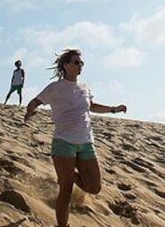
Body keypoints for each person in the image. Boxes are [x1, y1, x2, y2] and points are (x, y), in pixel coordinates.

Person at [24, 49, 127, 227]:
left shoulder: (84, 87)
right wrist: (30, 111)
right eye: (76, 62)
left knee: (94, 187)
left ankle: (68, 175)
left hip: (86, 143)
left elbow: (92, 106)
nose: (80, 66)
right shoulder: (55, 88)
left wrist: (113, 109)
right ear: (65, 65)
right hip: (64, 143)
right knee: (66, 190)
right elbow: (35, 102)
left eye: (81, 63)